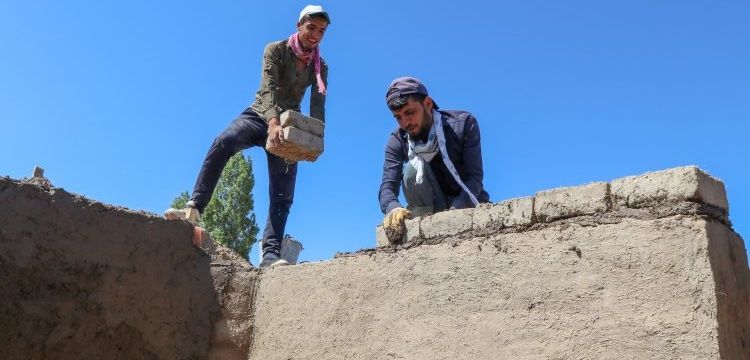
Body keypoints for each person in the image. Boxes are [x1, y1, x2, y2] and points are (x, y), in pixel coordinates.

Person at [167, 5, 330, 267]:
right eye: (311, 28)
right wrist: (272, 122)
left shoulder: (319, 66)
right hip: (259, 115)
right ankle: (194, 208)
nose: (315, 35)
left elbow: (318, 106)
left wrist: (314, 140)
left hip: (290, 125)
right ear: (299, 25)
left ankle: (271, 254)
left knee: (283, 193)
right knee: (224, 141)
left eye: (321, 31)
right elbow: (268, 89)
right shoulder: (275, 50)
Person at [379, 77, 490, 240]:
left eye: (410, 113)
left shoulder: (463, 124)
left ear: (428, 104)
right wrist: (393, 209)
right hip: (427, 213)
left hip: (468, 206)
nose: (405, 123)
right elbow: (387, 187)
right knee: (411, 170)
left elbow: (475, 179)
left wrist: (453, 215)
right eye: (398, 117)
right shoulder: (397, 140)